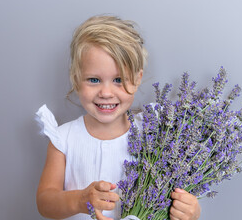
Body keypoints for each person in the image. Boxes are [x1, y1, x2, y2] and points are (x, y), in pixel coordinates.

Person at [36, 15, 201, 220]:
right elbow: (45, 201)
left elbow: (174, 193)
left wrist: (189, 211)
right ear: (76, 78)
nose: (106, 92)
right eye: (94, 80)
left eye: (118, 80)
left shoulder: (154, 137)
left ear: (137, 78)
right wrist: (80, 200)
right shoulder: (63, 139)